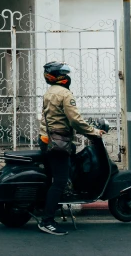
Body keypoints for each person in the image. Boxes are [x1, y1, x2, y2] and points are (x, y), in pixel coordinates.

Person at [37, 61, 104, 236]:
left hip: (46, 139)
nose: (67, 77)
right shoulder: (65, 94)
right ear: (59, 77)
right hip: (57, 142)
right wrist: (94, 131)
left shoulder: (49, 93)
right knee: (59, 181)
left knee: (56, 175)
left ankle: (55, 205)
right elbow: (75, 120)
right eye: (64, 74)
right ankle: (47, 221)